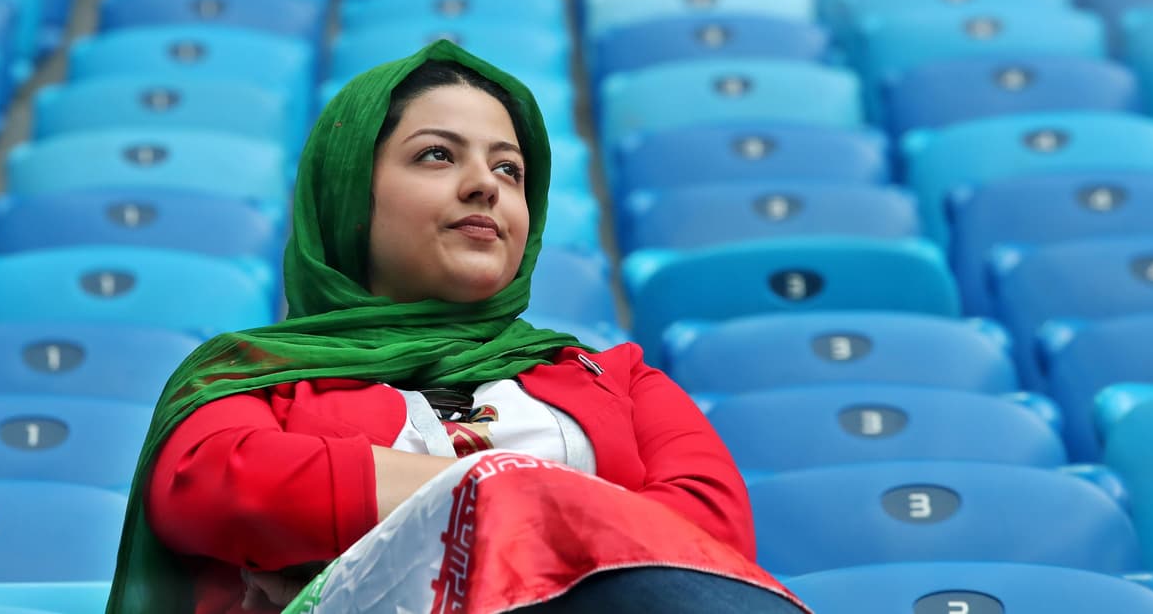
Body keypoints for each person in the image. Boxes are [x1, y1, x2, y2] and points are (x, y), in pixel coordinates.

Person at [103, 40, 809, 614]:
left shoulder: (615, 377)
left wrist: (453, 508)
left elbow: (707, 537)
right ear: (351, 192)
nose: (486, 185)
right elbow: (215, 486)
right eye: (437, 155)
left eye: (510, 168)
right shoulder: (257, 376)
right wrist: (530, 500)